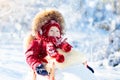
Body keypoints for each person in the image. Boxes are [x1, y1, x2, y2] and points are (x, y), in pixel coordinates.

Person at [24, 9, 94, 80]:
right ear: (45, 32)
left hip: (64, 68)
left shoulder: (62, 44)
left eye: (57, 31)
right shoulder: (38, 43)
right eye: (51, 30)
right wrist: (37, 66)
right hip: (47, 71)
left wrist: (83, 66)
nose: (55, 33)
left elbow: (72, 55)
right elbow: (30, 56)